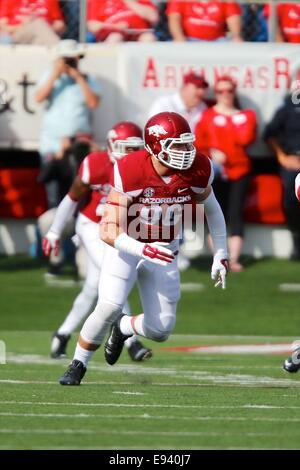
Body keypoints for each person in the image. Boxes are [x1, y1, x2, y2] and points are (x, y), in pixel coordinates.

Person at [58, 111, 228, 386]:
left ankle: (124, 328)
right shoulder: (131, 169)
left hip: (165, 249)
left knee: (161, 330)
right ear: (155, 146)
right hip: (127, 246)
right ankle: (78, 362)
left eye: (187, 144)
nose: (186, 151)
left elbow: (213, 210)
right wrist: (141, 249)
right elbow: (108, 229)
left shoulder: (198, 167)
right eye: (178, 145)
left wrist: (221, 253)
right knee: (109, 305)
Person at [42, 121, 153, 362]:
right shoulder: (95, 164)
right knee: (113, 275)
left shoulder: (143, 168)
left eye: (136, 149)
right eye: (126, 148)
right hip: (92, 224)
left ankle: (61, 334)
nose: (131, 154)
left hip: (119, 227)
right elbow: (71, 198)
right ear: (112, 145)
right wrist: (54, 232)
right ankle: (132, 341)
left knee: (94, 287)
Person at [147, 71, 210, 271]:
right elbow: (152, 137)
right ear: (184, 87)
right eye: (196, 87)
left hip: (186, 163)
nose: (199, 92)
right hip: (161, 162)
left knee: (178, 204)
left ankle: (176, 247)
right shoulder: (163, 104)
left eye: (202, 88)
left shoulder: (203, 108)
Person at [195, 75, 257, 272]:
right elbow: (198, 144)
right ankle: (220, 257)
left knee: (236, 213)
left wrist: (231, 121)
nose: (225, 95)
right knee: (215, 213)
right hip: (215, 172)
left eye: (228, 91)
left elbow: (246, 138)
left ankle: (234, 259)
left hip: (239, 170)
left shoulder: (246, 115)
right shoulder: (208, 116)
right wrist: (211, 152)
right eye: (220, 91)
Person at [35, 39, 102, 205]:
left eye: (73, 58)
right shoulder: (51, 77)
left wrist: (78, 77)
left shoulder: (87, 79)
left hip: (78, 146)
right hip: (53, 145)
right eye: (67, 59)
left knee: (79, 198)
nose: (70, 62)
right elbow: (38, 97)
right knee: (54, 197)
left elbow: (93, 103)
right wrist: (55, 73)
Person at [264, 89, 300, 260]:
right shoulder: (289, 106)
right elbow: (269, 134)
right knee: (291, 200)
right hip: (293, 160)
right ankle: (297, 239)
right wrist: (282, 157)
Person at [166, 0, 243, 42]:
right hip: (189, 39)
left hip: (218, 40)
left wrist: (236, 36)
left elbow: (233, 17)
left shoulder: (227, 1)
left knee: (236, 46)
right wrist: (178, 37)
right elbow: (174, 18)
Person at [87, 0, 159, 43]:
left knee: (148, 38)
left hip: (139, 33)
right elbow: (92, 25)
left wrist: (130, 2)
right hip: (113, 35)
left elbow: (154, 17)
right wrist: (116, 27)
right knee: (115, 38)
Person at [0, 0, 65, 45]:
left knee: (39, 41)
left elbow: (60, 25)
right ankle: (63, 55)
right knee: (37, 23)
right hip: (17, 35)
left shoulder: (50, 1)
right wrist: (23, 25)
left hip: (41, 36)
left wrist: (44, 28)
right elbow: (3, 28)